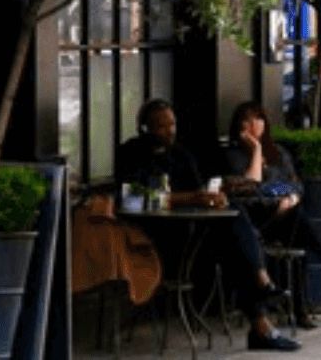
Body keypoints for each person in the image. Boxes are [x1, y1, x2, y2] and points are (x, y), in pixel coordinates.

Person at [116, 100, 299, 352]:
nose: (170, 131)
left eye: (172, 124)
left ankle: (261, 316)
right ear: (144, 128)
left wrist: (213, 196)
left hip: (192, 234)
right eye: (161, 126)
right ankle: (262, 289)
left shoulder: (181, 154)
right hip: (152, 238)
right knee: (235, 241)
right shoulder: (131, 154)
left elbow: (200, 188)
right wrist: (188, 198)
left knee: (233, 225)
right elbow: (132, 198)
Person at [223, 101, 321, 323]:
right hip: (254, 224)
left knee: (298, 228)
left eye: (258, 118)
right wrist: (256, 151)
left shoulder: (278, 152)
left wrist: (289, 198)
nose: (253, 124)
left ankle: (304, 306)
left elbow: (296, 185)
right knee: (300, 226)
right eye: (247, 120)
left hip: (283, 217)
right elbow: (253, 185)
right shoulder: (235, 154)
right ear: (239, 126)